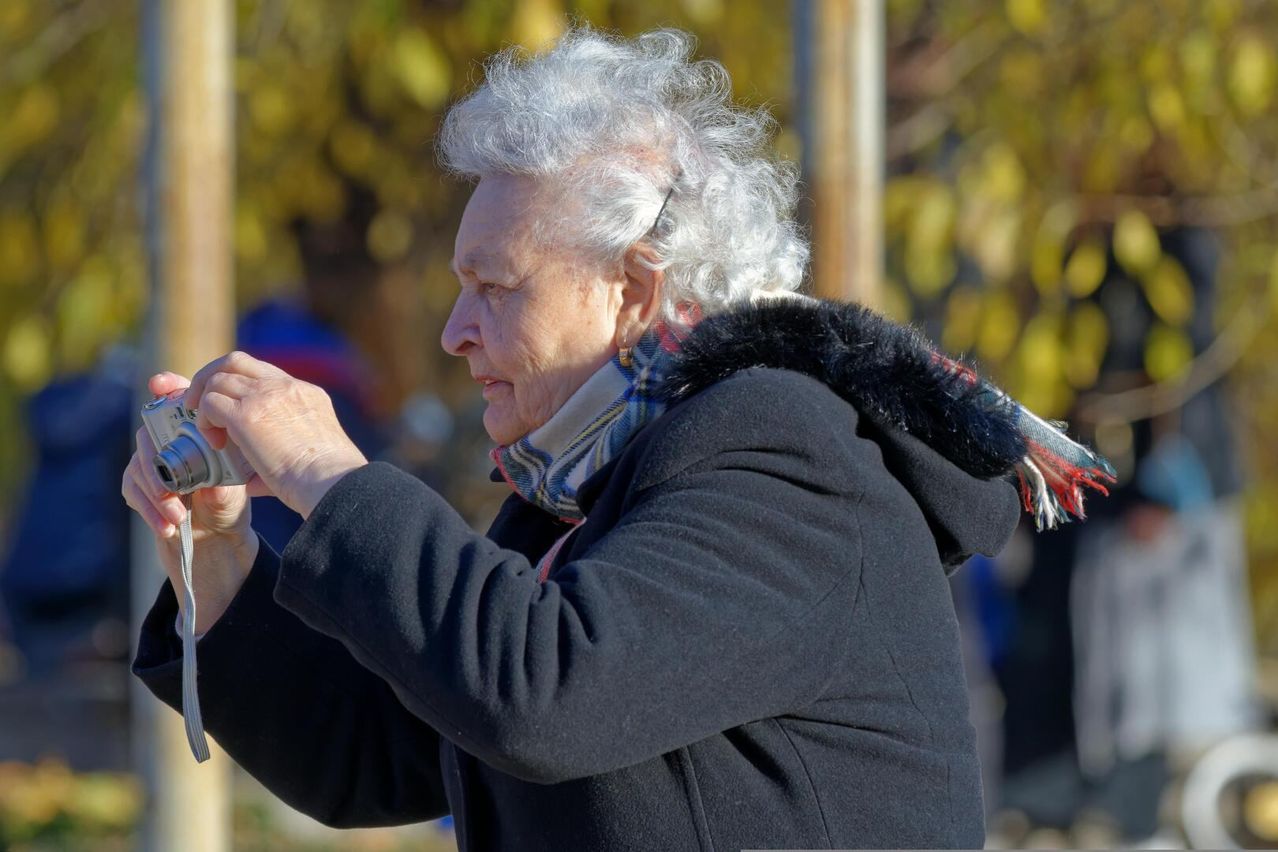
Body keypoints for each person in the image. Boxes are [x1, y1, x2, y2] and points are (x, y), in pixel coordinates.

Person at [123, 28, 1111, 850]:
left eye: (495, 286)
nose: (454, 332)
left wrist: (331, 477)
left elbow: (544, 695)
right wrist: (218, 554)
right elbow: (368, 755)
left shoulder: (786, 447)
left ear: (635, 288)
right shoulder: (590, 486)